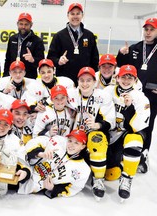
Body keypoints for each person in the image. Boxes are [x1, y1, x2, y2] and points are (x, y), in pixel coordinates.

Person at [116, 17, 157, 173]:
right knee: (129, 123)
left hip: (152, 96)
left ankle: (143, 155)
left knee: (147, 125)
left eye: (151, 29)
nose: (148, 32)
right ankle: (126, 152)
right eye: (146, 29)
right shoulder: (135, 48)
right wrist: (121, 54)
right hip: (132, 94)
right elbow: (122, 68)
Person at [103, 65, 150, 202]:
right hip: (111, 133)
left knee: (134, 139)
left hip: (126, 133)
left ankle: (127, 178)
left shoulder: (141, 98)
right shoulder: (108, 92)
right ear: (117, 78)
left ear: (135, 80)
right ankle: (134, 158)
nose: (126, 80)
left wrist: (129, 108)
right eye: (123, 76)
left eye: (130, 77)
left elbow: (136, 127)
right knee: (110, 174)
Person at [71, 66, 115, 201]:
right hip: (75, 136)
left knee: (97, 139)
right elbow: (53, 101)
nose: (85, 84)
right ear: (77, 81)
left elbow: (110, 121)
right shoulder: (71, 94)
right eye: (82, 80)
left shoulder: (103, 96)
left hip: (93, 135)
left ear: (95, 82)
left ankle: (98, 179)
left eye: (88, 80)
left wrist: (98, 125)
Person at [18, 130, 91, 198]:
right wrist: (39, 153)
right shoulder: (57, 143)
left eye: (76, 143)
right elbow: (34, 142)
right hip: (25, 169)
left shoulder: (83, 170)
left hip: (32, 187)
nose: (71, 145)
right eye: (70, 141)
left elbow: (73, 189)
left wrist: (53, 188)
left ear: (83, 146)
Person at [47, 3, 99, 86]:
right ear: (68, 15)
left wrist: (93, 77)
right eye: (72, 14)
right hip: (64, 79)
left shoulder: (89, 35)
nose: (75, 16)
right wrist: (58, 61)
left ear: (82, 15)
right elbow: (50, 58)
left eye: (78, 14)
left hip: (85, 80)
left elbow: (94, 59)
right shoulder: (59, 36)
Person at [3, 12, 45, 79]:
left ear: (31, 25)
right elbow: (8, 59)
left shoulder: (37, 41)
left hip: (29, 78)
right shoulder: (12, 39)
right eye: (21, 24)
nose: (23, 27)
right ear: (17, 24)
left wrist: (33, 60)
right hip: (12, 76)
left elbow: (41, 62)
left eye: (26, 24)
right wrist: (5, 76)